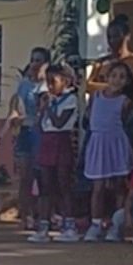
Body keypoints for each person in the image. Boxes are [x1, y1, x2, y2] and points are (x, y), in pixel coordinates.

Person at [0, 46, 49, 230]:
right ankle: (25, 216)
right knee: (25, 176)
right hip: (26, 133)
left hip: (43, 133)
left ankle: (42, 216)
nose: (35, 64)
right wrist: (2, 133)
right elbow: (15, 111)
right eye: (33, 60)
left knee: (41, 176)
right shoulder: (24, 85)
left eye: (39, 60)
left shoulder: (50, 86)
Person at [83, 61, 133, 241]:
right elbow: (89, 119)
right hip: (98, 144)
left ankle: (116, 225)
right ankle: (96, 224)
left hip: (117, 145)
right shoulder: (96, 97)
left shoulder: (125, 102)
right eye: (114, 75)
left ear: (127, 81)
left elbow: (129, 125)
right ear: (107, 77)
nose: (117, 80)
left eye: (122, 77)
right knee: (98, 187)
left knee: (118, 186)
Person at [29, 63, 81, 243]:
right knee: (45, 185)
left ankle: (69, 225)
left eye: (54, 81)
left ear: (65, 82)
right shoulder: (47, 101)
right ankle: (43, 226)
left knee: (63, 183)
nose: (49, 86)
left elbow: (60, 122)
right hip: (47, 141)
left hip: (61, 140)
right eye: (47, 82)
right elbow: (38, 125)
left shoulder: (70, 100)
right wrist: (41, 109)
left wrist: (49, 107)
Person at [86, 14, 133, 137]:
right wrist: (109, 87)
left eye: (116, 36)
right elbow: (87, 86)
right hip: (102, 114)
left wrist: (100, 87)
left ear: (127, 36)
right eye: (109, 37)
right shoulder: (101, 62)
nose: (112, 40)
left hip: (126, 113)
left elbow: (129, 89)